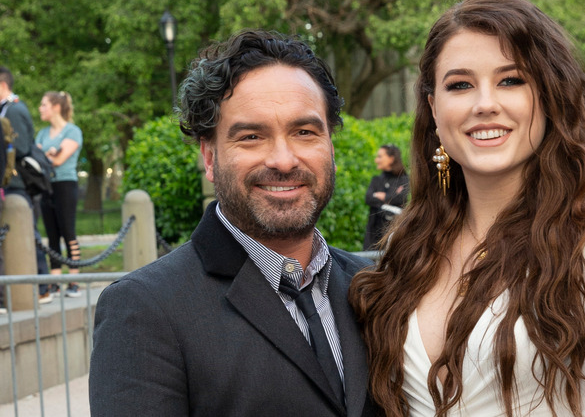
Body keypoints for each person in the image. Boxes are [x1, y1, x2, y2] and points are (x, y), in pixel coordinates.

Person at [349, 0, 585, 416]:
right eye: (460, 85)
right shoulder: (409, 243)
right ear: (434, 108)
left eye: (511, 80)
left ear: (547, 96)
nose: (485, 103)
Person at [89, 30, 377, 417]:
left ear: (330, 146)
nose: (283, 160)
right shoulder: (144, 310)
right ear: (209, 157)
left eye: (304, 132)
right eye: (252, 136)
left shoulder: (376, 285)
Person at [0, 66, 52, 309]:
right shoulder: (7, 109)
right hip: (12, 182)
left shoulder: (15, 109)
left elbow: (20, 148)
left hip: (19, 182)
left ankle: (42, 286)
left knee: (29, 233)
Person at [36, 91, 83, 297]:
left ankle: (74, 280)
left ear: (56, 107)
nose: (40, 109)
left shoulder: (72, 131)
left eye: (44, 105)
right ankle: (55, 281)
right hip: (46, 185)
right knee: (52, 234)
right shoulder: (42, 134)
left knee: (68, 232)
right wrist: (51, 153)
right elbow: (39, 158)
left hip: (65, 185)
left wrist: (49, 155)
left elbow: (58, 160)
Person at [363, 144, 409, 250]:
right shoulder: (376, 180)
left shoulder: (404, 180)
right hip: (373, 238)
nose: (376, 160)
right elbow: (369, 198)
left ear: (391, 159)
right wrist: (391, 198)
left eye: (380, 156)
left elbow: (401, 198)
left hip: (395, 237)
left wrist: (383, 197)